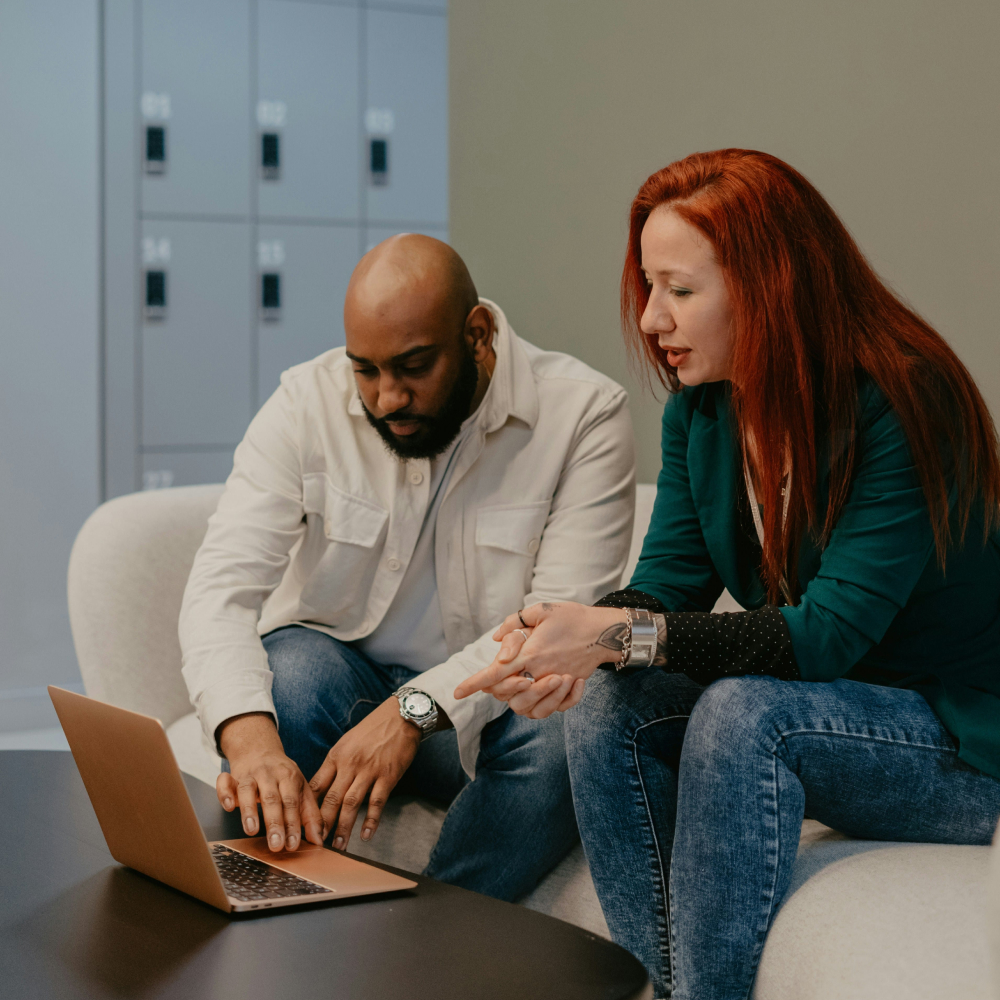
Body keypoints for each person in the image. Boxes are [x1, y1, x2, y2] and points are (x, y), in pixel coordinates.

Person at [455, 150, 1000, 995]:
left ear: (771, 285)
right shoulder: (703, 413)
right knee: (614, 699)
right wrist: (580, 640)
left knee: (746, 715)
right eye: (647, 285)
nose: (648, 317)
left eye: (679, 289)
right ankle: (667, 987)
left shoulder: (901, 396)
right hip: (837, 710)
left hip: (962, 738)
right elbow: (665, 585)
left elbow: (824, 637)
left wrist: (615, 633)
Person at [178, 234, 635, 901]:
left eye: (414, 367)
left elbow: (554, 632)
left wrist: (411, 712)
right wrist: (250, 745)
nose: (387, 397)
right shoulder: (307, 403)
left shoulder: (584, 416)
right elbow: (220, 587)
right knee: (288, 676)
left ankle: (433, 946)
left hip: (486, 717)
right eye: (366, 370)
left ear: (477, 336)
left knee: (572, 725)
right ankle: (262, 917)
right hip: (343, 690)